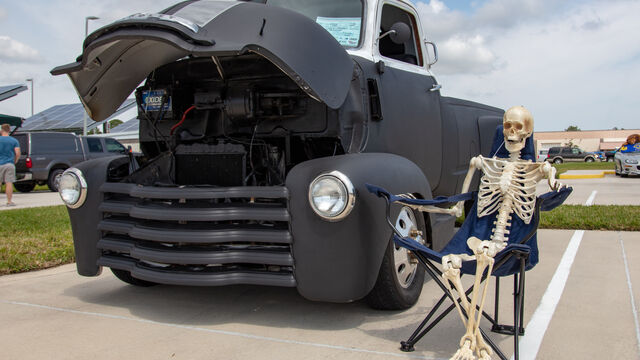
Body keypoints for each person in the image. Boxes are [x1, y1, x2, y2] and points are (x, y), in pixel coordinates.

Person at [0, 123, 21, 206]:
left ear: (1, 130)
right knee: (9, 183)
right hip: (9, 163)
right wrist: (14, 161)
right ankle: (9, 201)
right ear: (9, 130)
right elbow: (18, 153)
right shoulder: (14, 141)